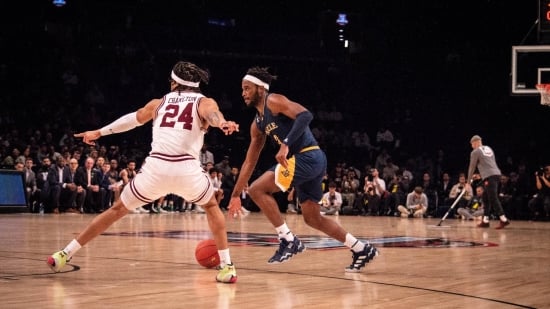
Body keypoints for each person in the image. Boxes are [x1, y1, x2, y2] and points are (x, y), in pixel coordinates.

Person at [46, 61, 240, 283]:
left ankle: (64, 254)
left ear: (175, 82)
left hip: (155, 169)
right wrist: (222, 123)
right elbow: (213, 114)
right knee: (211, 205)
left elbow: (132, 119)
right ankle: (227, 267)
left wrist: (100, 131)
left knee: (116, 210)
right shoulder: (205, 101)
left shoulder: (159, 102)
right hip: (187, 169)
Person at [227, 66, 378, 272]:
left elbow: (306, 115)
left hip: (308, 155)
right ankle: (361, 248)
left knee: (256, 189)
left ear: (260, 89)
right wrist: (235, 195)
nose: (243, 93)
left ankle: (288, 240)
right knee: (312, 218)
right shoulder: (257, 124)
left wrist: (286, 143)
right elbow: (249, 162)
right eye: (242, 89)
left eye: (247, 88)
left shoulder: (273, 101)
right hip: (308, 162)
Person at [467, 135, 510, 229]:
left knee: (493, 198)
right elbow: (489, 164)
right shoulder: (488, 148)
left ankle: (503, 219)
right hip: (496, 174)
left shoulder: (475, 151)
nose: (472, 146)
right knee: (485, 197)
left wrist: (468, 182)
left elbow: (472, 167)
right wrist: (480, 175)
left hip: (489, 177)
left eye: (472, 144)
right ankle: (485, 220)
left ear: (476, 142)